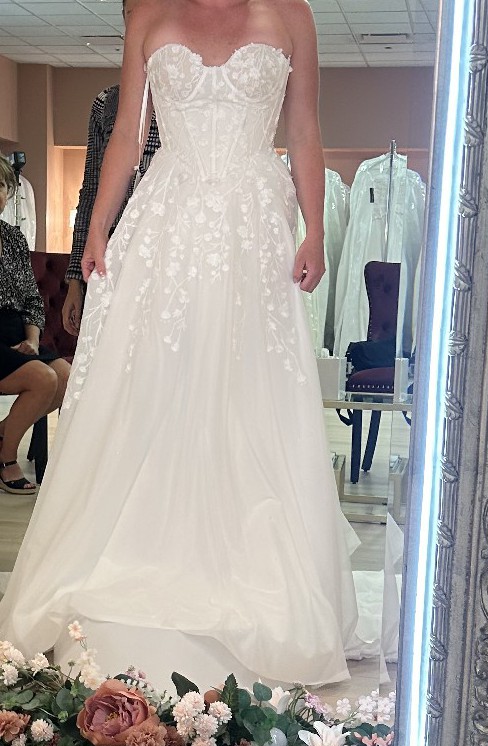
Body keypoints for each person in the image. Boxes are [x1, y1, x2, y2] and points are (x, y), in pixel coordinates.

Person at [0, 0, 359, 690]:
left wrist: (315, 228)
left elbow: (304, 128)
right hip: (166, 219)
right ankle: (148, 545)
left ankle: (246, 565)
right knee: (156, 381)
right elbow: (127, 137)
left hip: (254, 223)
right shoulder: (149, 14)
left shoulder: (291, 13)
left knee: (247, 389)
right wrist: (95, 229)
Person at [63, 0, 161, 337]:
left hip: (168, 246)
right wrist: (74, 279)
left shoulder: (194, 98)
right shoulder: (107, 104)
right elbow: (90, 191)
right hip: (113, 251)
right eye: (131, 14)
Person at [0, 157, 71, 495]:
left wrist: (31, 338)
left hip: (16, 330)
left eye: (1, 185)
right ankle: (6, 458)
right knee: (43, 379)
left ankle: (3, 432)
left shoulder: (13, 238)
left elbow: (30, 296)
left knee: (65, 377)